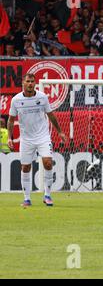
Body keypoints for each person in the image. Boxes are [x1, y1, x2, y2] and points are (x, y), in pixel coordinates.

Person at [7, 73, 67, 207]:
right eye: (28, 81)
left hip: (43, 136)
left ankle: (47, 195)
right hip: (26, 139)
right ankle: (27, 199)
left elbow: (50, 115)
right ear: (23, 83)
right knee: (26, 167)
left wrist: (60, 131)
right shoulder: (16, 100)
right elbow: (11, 120)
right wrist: (9, 137)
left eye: (32, 81)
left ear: (35, 83)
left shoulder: (42, 97)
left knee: (48, 162)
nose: (30, 84)